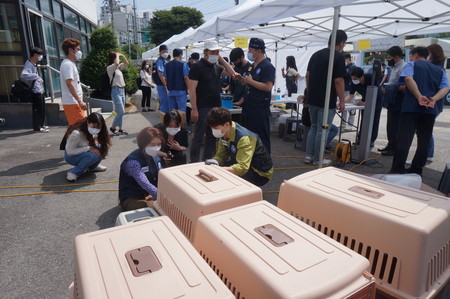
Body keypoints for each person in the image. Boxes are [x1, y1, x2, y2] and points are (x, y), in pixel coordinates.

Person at [390, 46, 449, 175]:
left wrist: (418, 96)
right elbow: (446, 88)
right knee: (424, 140)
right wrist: (434, 99)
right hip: (430, 109)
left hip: (411, 107)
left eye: (411, 55)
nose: (410, 58)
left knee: (404, 138)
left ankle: (397, 168)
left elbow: (408, 79)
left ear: (415, 55)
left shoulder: (412, 65)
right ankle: (417, 169)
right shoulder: (439, 70)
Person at [188, 40, 236, 163]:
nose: (215, 54)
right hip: (202, 106)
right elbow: (192, 89)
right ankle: (194, 162)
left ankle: (208, 160)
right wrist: (194, 109)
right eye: (213, 52)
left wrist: (222, 59)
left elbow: (232, 73)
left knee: (213, 136)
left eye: (217, 52)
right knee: (198, 136)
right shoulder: (197, 67)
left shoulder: (217, 67)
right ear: (205, 52)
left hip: (215, 107)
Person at [305, 30, 347, 165]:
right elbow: (339, 80)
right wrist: (342, 100)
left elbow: (307, 75)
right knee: (322, 129)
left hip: (312, 98)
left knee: (314, 127)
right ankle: (318, 159)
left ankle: (308, 156)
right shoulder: (338, 57)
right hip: (327, 100)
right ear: (341, 43)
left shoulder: (316, 54)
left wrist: (310, 90)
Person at [207, 107, 273, 186]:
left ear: (226, 124)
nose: (213, 131)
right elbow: (221, 155)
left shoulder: (244, 138)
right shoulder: (224, 133)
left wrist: (220, 171)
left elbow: (242, 167)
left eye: (215, 128)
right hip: (242, 162)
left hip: (259, 172)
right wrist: (215, 161)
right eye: (212, 128)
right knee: (217, 171)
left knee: (225, 180)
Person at [238, 37, 275, 154]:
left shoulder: (267, 66)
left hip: (259, 109)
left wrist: (250, 81)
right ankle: (253, 161)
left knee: (261, 138)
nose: (249, 53)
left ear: (259, 51)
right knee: (249, 137)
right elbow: (250, 83)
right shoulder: (253, 66)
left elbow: (268, 86)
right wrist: (242, 80)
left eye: (251, 50)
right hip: (249, 107)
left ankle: (264, 164)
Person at [119, 127, 167, 211]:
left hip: (150, 193)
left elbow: (162, 175)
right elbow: (144, 183)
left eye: (158, 144)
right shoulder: (133, 162)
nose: (156, 147)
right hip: (133, 197)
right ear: (144, 143)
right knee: (160, 208)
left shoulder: (155, 155)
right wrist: (162, 197)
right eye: (152, 144)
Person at [64, 112, 110, 182]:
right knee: (92, 156)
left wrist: (97, 146)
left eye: (98, 127)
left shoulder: (91, 131)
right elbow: (70, 152)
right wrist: (88, 148)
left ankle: (92, 167)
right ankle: (74, 172)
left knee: (102, 148)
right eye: (94, 126)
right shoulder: (76, 133)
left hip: (83, 151)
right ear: (88, 122)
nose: (96, 129)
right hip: (71, 156)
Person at [378, 46, 407, 156]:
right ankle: (390, 145)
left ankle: (394, 148)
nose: (388, 59)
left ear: (396, 57)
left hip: (398, 100)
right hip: (391, 99)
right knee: (390, 125)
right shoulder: (394, 67)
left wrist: (388, 90)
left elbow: (403, 86)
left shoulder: (404, 67)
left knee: (395, 125)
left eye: (389, 57)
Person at [344, 67, 382, 147]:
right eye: (352, 79)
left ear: (361, 77)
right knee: (364, 120)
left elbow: (377, 93)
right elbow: (350, 95)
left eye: (355, 79)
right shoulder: (354, 82)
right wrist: (342, 102)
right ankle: (360, 139)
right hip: (365, 100)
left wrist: (366, 102)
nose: (354, 80)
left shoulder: (371, 78)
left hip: (376, 101)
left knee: (374, 120)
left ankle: (371, 140)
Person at [425, 44, 446, 163]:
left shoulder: (438, 69)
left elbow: (443, 88)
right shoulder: (436, 67)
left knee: (426, 129)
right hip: (433, 103)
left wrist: (432, 99)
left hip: (433, 103)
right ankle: (428, 153)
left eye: (428, 53)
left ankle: (428, 154)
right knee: (425, 129)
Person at [20, 46, 48, 133]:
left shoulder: (34, 64)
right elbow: (23, 75)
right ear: (35, 55)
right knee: (37, 109)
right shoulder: (28, 64)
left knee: (41, 108)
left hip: (39, 89)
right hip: (35, 91)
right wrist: (36, 77)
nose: (41, 57)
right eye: (40, 55)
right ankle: (38, 127)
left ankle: (41, 125)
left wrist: (38, 79)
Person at [60, 38, 86, 126]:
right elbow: (69, 83)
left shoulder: (70, 64)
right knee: (80, 128)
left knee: (76, 128)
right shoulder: (68, 64)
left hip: (73, 102)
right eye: (78, 49)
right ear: (70, 50)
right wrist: (79, 101)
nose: (80, 52)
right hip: (72, 102)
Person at [164, 48, 190, 125]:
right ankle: (182, 128)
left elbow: (165, 78)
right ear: (180, 55)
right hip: (181, 91)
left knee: (172, 112)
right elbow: (186, 77)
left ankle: (172, 127)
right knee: (181, 111)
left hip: (171, 91)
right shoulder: (183, 64)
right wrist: (189, 88)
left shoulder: (167, 64)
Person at [107, 51, 129, 136]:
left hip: (122, 90)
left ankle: (120, 129)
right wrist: (117, 55)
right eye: (116, 57)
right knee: (121, 111)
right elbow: (116, 63)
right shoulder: (110, 68)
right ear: (113, 58)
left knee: (121, 111)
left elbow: (126, 63)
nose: (118, 59)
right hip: (115, 91)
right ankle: (113, 127)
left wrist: (122, 56)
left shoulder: (118, 68)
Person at [154, 45, 170, 123]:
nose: (165, 53)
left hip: (163, 85)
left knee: (166, 103)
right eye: (164, 51)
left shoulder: (165, 61)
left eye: (166, 51)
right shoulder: (160, 61)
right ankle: (163, 123)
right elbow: (160, 74)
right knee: (164, 104)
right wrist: (166, 85)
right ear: (160, 52)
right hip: (162, 85)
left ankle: (165, 122)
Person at [342, 53, 357, 129]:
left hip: (350, 89)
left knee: (350, 107)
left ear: (348, 59)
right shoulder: (345, 66)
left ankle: (350, 124)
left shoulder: (353, 67)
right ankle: (343, 123)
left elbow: (347, 74)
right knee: (343, 106)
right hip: (344, 89)